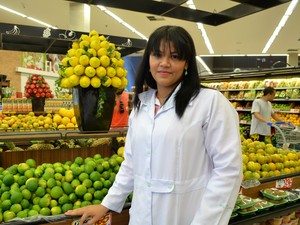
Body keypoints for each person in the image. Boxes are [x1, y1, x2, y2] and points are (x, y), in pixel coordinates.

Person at [65, 25, 242, 225]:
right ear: (148, 60)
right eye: (157, 55)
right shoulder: (142, 105)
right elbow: (131, 163)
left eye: (175, 56)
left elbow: (228, 171)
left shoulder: (210, 103)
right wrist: (107, 203)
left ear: (186, 63)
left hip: (185, 217)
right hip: (141, 217)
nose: (164, 63)